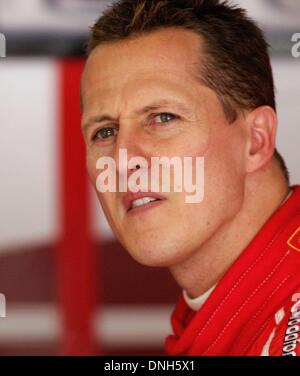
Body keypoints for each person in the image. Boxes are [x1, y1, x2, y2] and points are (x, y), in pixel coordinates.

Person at [80, 0, 300, 356]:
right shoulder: (222, 311)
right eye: (105, 132)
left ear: (256, 140)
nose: (123, 160)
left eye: (163, 118)